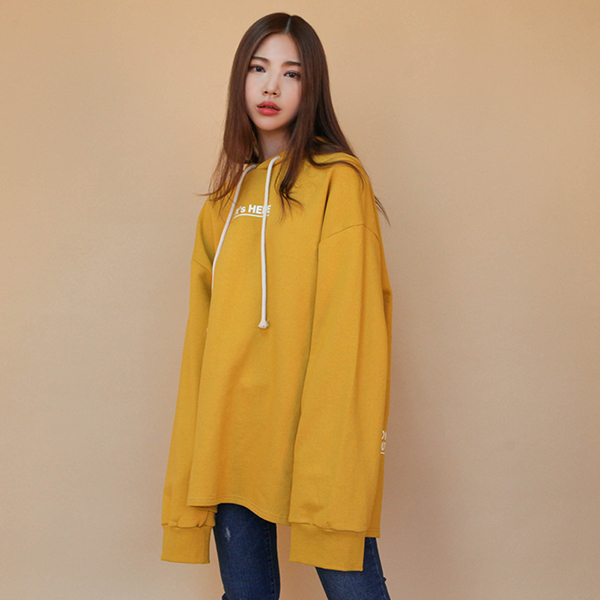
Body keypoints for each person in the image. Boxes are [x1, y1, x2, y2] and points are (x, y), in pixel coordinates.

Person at [160, 12, 393, 600]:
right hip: (231, 439)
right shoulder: (220, 205)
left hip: (312, 433)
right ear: (240, 79)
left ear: (311, 88)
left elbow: (351, 323)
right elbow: (202, 340)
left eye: (291, 74)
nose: (271, 87)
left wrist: (335, 443)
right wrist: (196, 445)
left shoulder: (339, 182)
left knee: (353, 587)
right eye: (258, 69)